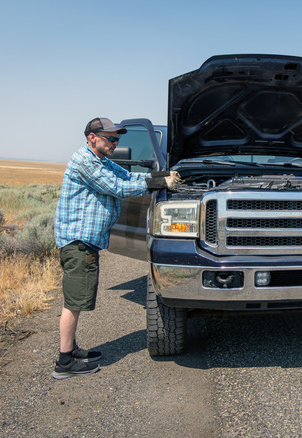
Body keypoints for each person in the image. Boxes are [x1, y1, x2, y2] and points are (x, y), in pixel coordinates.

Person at [51, 117, 181, 379]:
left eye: (117, 139)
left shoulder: (100, 161)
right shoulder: (85, 161)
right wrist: (157, 184)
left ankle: (72, 350)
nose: (115, 143)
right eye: (110, 138)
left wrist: (159, 176)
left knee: (77, 298)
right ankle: (64, 362)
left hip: (83, 241)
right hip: (78, 242)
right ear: (92, 137)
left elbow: (128, 175)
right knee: (74, 302)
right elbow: (117, 187)